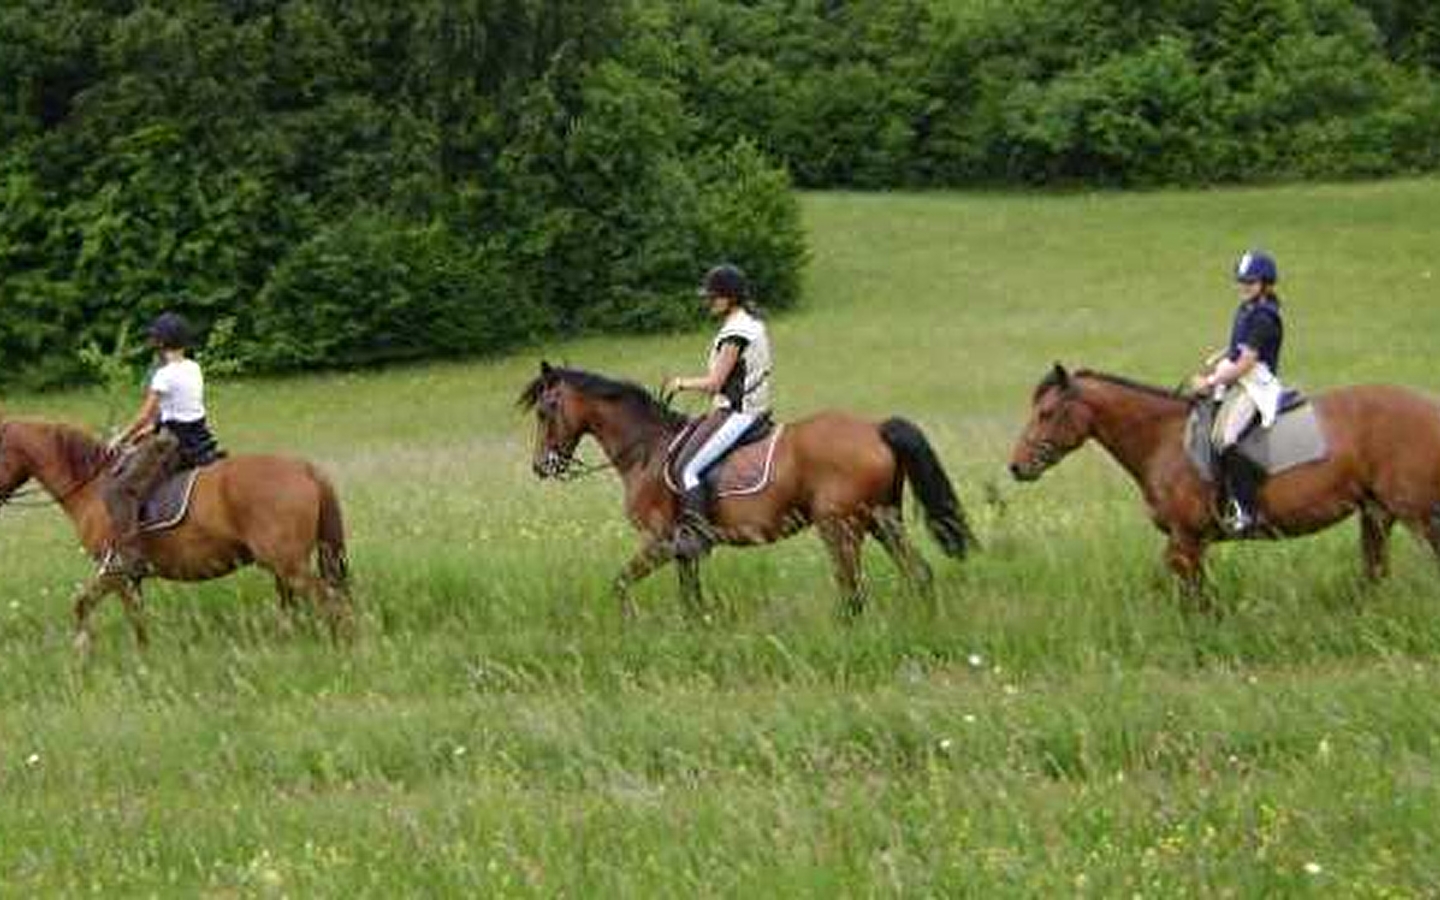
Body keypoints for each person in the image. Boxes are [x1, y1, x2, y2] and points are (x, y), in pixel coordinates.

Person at [100, 312, 223, 577]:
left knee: (119, 491)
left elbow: (145, 415)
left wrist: (120, 438)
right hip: (200, 438)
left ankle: (130, 560)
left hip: (173, 443)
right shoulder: (193, 367)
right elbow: (177, 410)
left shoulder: (164, 375)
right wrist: (147, 432)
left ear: (159, 343)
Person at [664, 264, 774, 559]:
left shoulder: (736, 333)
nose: (709, 302)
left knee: (686, 469)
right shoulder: (750, 322)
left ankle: (698, 537)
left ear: (730, 297)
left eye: (713, 297)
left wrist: (680, 383)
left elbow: (715, 383)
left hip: (739, 414)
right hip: (749, 408)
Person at [1190, 250, 1286, 534]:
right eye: (1241, 281)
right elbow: (1240, 347)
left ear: (1265, 284)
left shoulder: (1263, 317)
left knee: (1227, 438)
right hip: (1238, 374)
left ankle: (1246, 509)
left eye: (1250, 282)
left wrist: (1210, 381)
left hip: (1255, 383)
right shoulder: (1247, 308)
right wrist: (1222, 355)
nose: (1244, 286)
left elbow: (1246, 363)